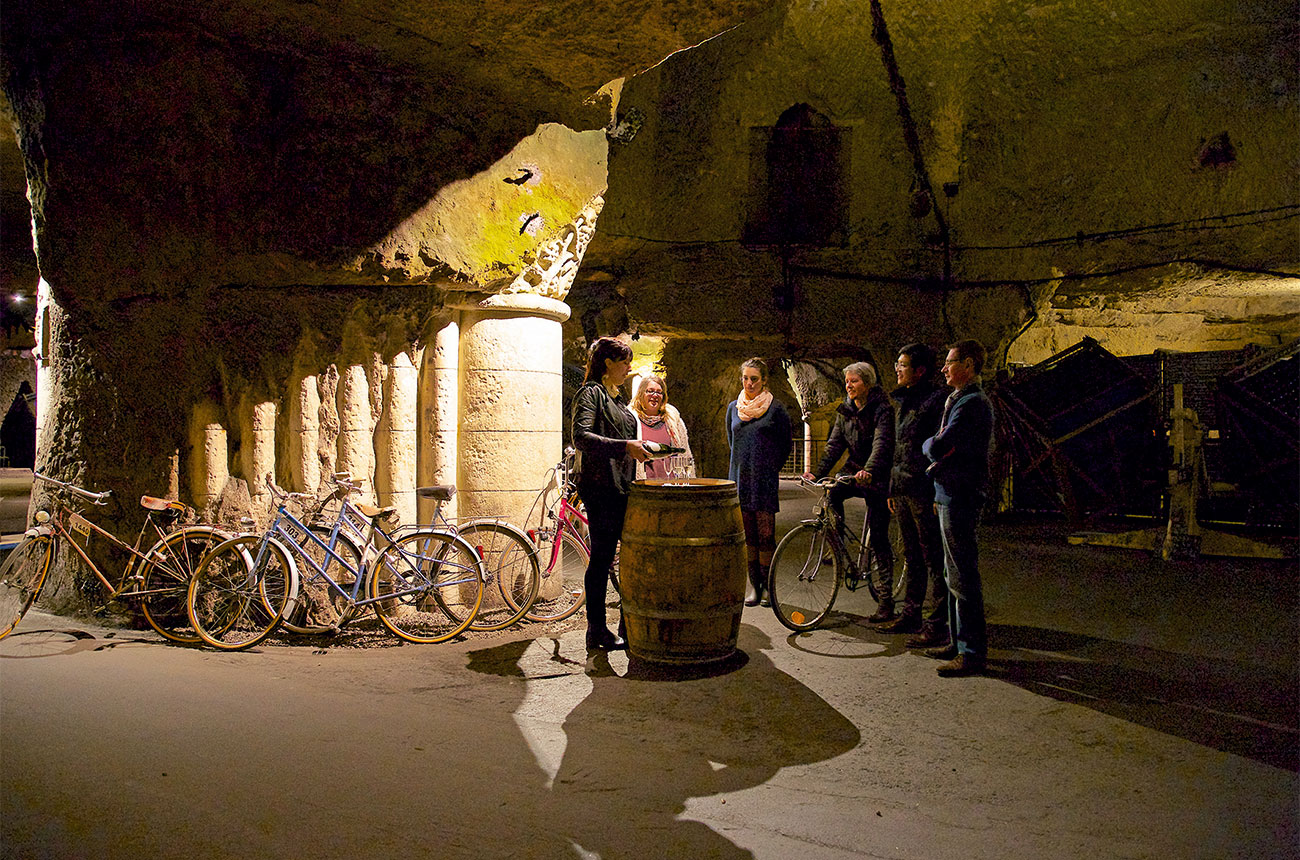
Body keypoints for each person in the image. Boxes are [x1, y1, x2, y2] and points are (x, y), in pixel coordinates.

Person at [571, 336, 651, 652]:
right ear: (608, 363)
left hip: (620, 486)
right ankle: (597, 630)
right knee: (603, 558)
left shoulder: (615, 399)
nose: (628, 368)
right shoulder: (591, 393)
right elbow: (581, 437)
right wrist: (625, 447)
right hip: (600, 487)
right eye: (624, 362)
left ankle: (624, 624)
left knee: (623, 555)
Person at [801, 361, 896, 623]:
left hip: (876, 474)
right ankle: (838, 544)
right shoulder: (845, 411)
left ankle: (886, 600)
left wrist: (870, 470)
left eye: (854, 381)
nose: (849, 386)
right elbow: (833, 445)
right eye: (847, 381)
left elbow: (882, 443)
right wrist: (818, 474)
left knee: (878, 536)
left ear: (867, 383)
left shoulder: (882, 410)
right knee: (832, 494)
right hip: (854, 468)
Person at [922, 339, 995, 677]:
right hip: (949, 493)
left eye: (949, 362)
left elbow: (940, 445)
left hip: (960, 495)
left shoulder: (972, 403)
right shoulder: (962, 399)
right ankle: (957, 641)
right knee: (953, 574)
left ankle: (971, 652)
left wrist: (927, 445)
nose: (944, 368)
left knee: (962, 575)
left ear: (968, 365)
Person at [880, 343, 949, 645]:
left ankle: (938, 623)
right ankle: (911, 613)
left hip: (922, 489)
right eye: (897, 363)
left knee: (933, 556)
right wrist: (893, 488)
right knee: (912, 554)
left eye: (903, 364)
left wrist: (935, 491)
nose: (897, 368)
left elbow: (938, 450)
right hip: (905, 488)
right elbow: (900, 449)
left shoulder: (936, 402)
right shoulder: (904, 401)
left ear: (920, 371)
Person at [727, 358, 792, 607]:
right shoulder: (734, 408)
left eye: (754, 379)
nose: (749, 383)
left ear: (764, 380)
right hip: (741, 480)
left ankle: (768, 588)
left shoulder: (775, 409)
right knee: (748, 537)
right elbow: (732, 442)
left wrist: (768, 467)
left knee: (766, 535)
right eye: (746, 378)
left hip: (763, 480)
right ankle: (754, 586)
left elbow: (784, 445)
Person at [632, 375, 695, 480]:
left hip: (670, 486)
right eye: (650, 391)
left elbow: (685, 453)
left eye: (659, 392)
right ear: (641, 393)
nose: (655, 395)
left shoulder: (672, 420)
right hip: (644, 486)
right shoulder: (632, 420)